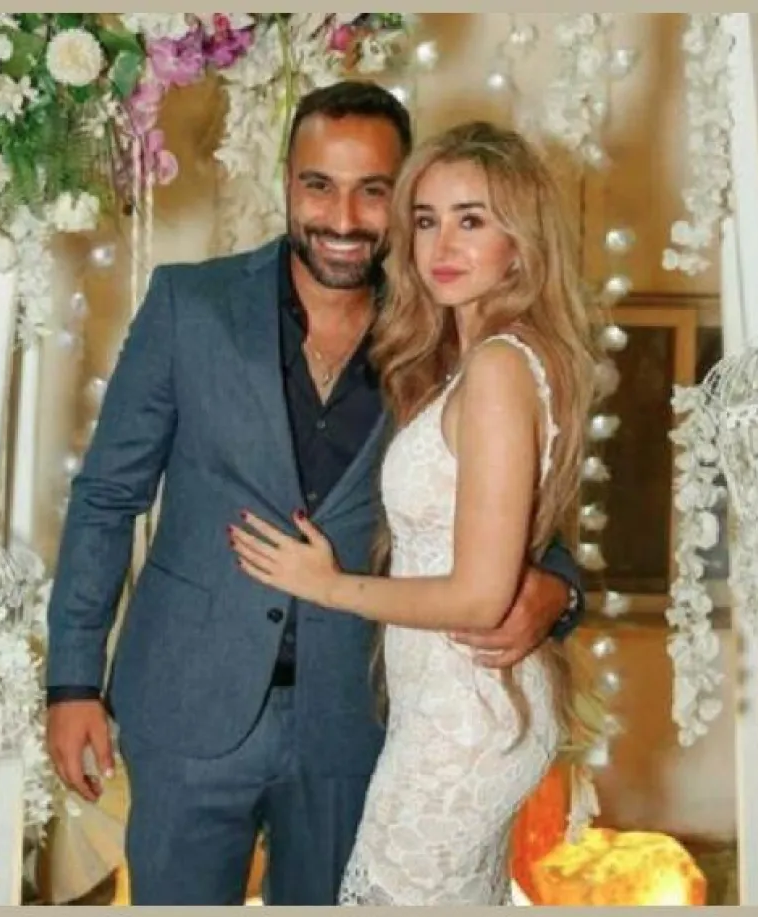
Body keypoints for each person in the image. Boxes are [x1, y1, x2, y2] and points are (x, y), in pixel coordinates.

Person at [44, 81, 586, 906]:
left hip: (357, 719)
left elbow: (514, 506)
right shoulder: (190, 304)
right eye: (319, 185)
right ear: (286, 183)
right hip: (189, 702)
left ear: (401, 196)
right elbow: (108, 496)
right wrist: (73, 682)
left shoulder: (444, 331)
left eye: (373, 191)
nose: (342, 216)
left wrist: (559, 588)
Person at [228, 120, 605, 905]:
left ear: (521, 243)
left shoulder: (498, 367)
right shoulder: (472, 362)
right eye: (427, 220)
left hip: (466, 717)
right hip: (450, 707)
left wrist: (326, 585)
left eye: (473, 220)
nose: (443, 244)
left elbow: (479, 594)